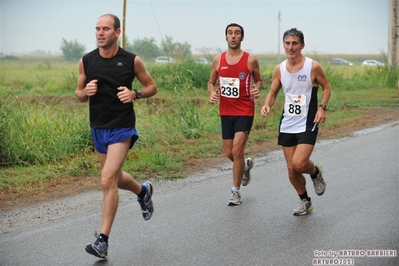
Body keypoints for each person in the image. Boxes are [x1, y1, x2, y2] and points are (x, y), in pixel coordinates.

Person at [75, 14, 158, 259]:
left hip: (122, 126)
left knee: (107, 179)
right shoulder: (86, 61)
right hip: (98, 127)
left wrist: (135, 94)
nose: (100, 33)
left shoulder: (131, 60)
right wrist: (85, 92)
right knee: (113, 178)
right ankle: (143, 192)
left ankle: (103, 240)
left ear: (117, 32)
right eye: (97, 29)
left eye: (106, 29)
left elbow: (152, 86)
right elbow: (78, 93)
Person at [260, 28, 331, 216]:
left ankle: (315, 172)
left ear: (302, 45)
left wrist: (322, 107)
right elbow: (273, 92)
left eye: (294, 43)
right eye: (287, 43)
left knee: (300, 163)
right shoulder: (280, 69)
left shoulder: (312, 66)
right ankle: (305, 201)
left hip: (308, 121)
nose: (290, 47)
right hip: (288, 123)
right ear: (283, 45)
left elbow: (326, 87)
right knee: (292, 169)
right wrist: (267, 104)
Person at [208, 23, 263, 206]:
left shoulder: (250, 60)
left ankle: (235, 192)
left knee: (237, 150)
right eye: (230, 33)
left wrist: (257, 89)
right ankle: (245, 166)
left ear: (242, 37)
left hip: (245, 110)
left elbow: (259, 81)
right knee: (229, 153)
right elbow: (211, 82)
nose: (233, 36)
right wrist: (212, 92)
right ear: (226, 37)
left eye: (237, 33)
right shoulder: (218, 60)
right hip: (226, 111)